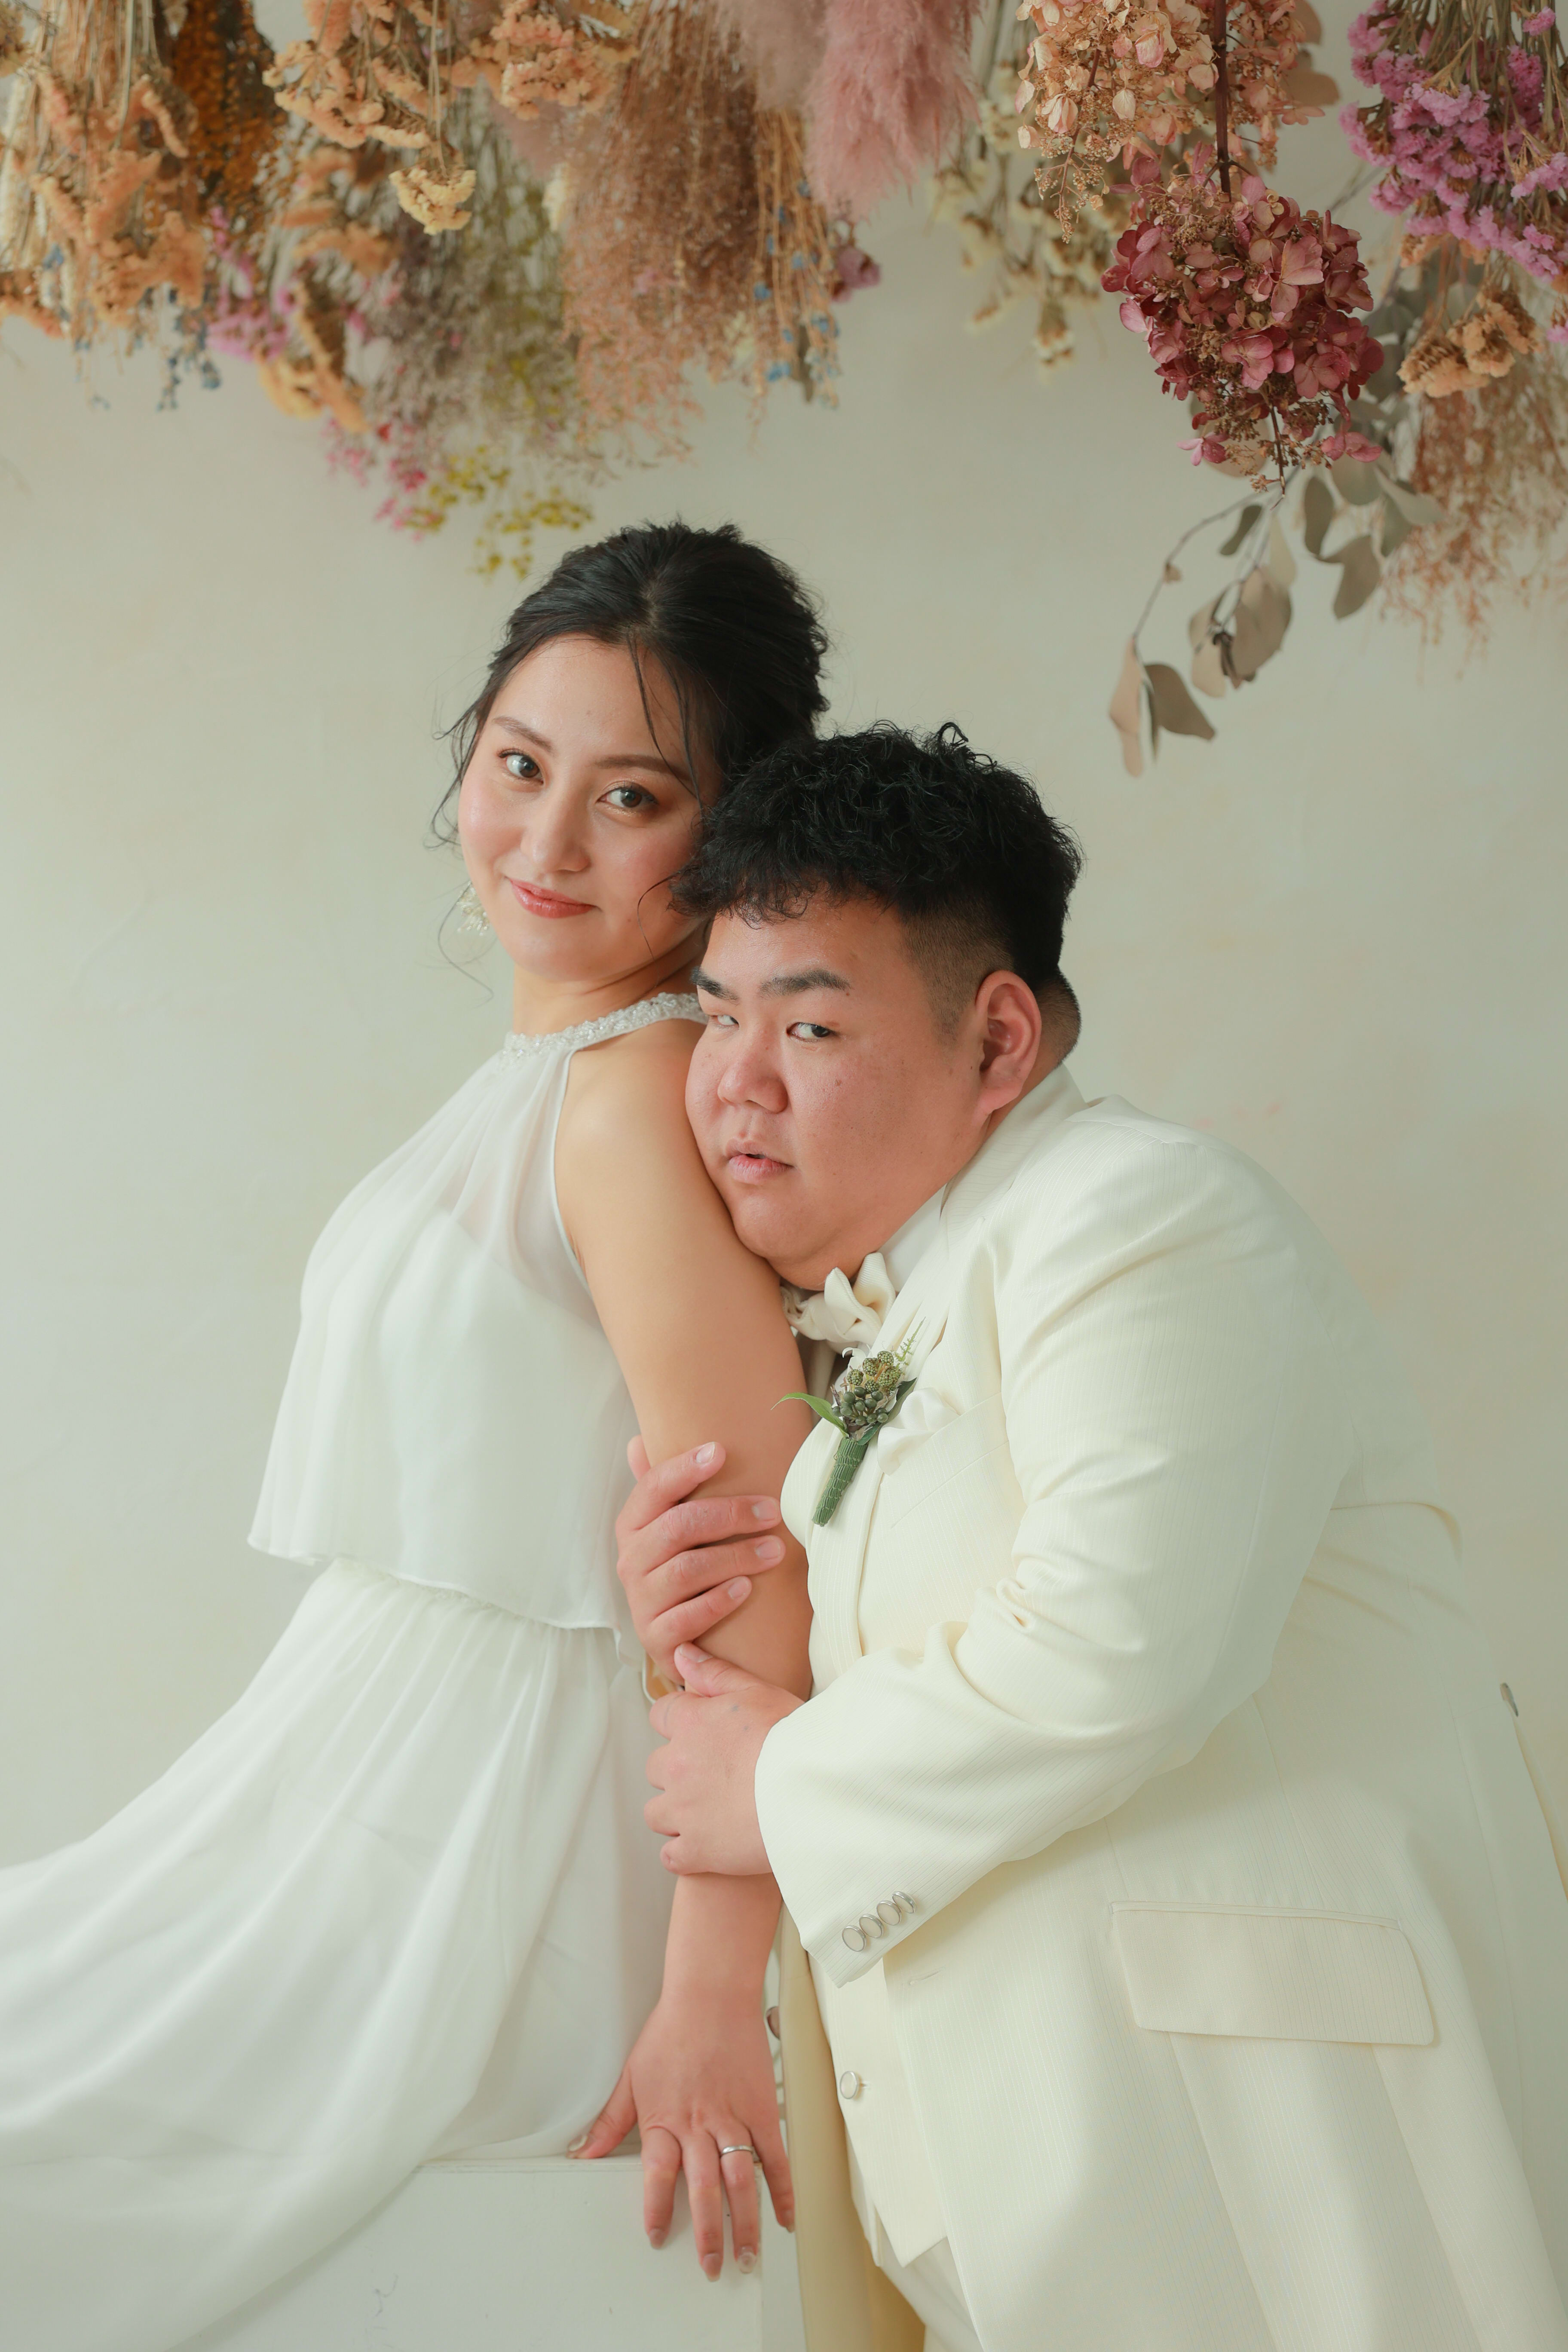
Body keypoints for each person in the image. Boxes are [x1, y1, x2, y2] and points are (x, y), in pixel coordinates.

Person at [608, 723, 1568, 2352]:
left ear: (998, 1038)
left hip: (1282, 2164)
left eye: (810, 1023)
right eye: (718, 1014)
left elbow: (1118, 1642)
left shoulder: (1146, 1215)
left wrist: (775, 1782)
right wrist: (694, 1592)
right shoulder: (914, 1301)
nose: (736, 1081)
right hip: (1072, 2186)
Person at [0, 522, 824, 2352]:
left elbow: (751, 1556)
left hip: (499, 1828)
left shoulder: (628, 1103)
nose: (547, 843)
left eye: (631, 799)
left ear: (729, 838)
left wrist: (712, 1992)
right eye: (519, 766)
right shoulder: (548, 1080)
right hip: (369, 1770)